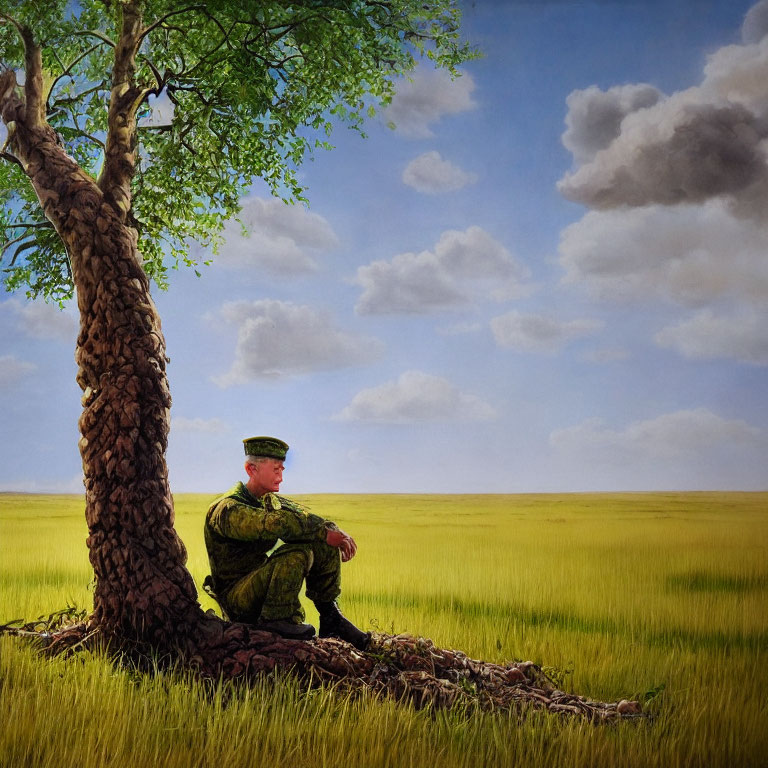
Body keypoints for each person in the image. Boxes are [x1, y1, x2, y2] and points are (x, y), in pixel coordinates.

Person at [203, 436, 370, 650]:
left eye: (282, 469)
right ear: (251, 469)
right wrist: (321, 531)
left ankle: (331, 617)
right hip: (238, 598)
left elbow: (304, 515)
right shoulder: (227, 509)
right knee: (297, 553)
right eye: (275, 470)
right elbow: (273, 523)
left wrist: (332, 530)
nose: (281, 477)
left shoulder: (268, 500)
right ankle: (275, 620)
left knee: (321, 541)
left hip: (259, 585)